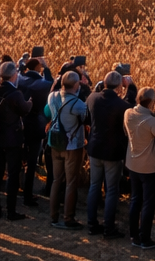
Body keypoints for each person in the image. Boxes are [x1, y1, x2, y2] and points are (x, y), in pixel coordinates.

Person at [0, 60, 32, 220]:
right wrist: (30, 102)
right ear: (13, 75)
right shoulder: (15, 94)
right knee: (12, 173)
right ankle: (11, 210)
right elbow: (24, 110)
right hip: (12, 137)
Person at [86, 70, 130, 238]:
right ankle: (108, 228)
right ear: (120, 86)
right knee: (111, 190)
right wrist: (130, 89)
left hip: (95, 149)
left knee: (94, 186)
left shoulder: (92, 98)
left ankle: (91, 224)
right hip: (112, 152)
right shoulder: (122, 105)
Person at [124, 85, 155, 250]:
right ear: (151, 102)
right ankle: (145, 238)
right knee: (148, 202)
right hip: (148, 167)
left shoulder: (128, 113)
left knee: (135, 199)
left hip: (132, 163)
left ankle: (133, 234)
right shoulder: (151, 121)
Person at [46, 70, 89, 228]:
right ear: (77, 84)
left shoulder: (52, 96)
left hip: (55, 142)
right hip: (72, 145)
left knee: (57, 180)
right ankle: (68, 218)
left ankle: (53, 215)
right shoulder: (78, 104)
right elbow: (87, 119)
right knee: (71, 182)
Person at [18, 58, 51, 208]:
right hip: (36, 125)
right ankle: (28, 194)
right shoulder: (42, 84)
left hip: (19, 124)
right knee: (32, 162)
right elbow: (51, 84)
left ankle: (17, 187)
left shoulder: (20, 79)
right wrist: (47, 68)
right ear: (39, 67)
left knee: (17, 159)